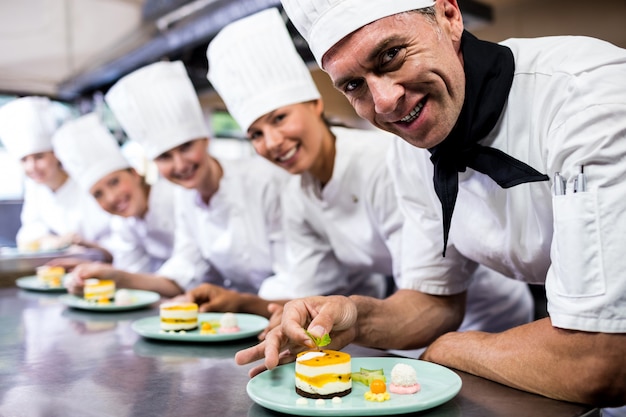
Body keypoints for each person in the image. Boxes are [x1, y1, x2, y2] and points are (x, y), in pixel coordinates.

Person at [236, 0, 626, 408]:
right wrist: (351, 315)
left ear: (449, 17)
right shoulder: (410, 150)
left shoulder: (587, 101)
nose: (384, 103)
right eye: (353, 85)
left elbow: (602, 357)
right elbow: (433, 300)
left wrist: (451, 350)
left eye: (391, 55)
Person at [199, 7, 533, 338]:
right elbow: (306, 284)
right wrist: (243, 303)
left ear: (315, 105)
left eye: (279, 118)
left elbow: (431, 290)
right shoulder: (297, 192)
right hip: (408, 317)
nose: (272, 141)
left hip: (486, 316)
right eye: (255, 134)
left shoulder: (382, 161)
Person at [100, 60, 288, 299]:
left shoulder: (263, 180)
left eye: (186, 147)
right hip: (242, 316)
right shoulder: (186, 196)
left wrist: (241, 304)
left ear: (205, 139)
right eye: (165, 156)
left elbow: (295, 277)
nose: (180, 165)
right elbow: (186, 269)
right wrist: (119, 278)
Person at [51, 112, 179, 295]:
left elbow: (188, 275)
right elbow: (132, 275)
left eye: (114, 182)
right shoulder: (125, 223)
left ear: (135, 173)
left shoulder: (175, 198)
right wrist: (92, 274)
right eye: (98, 194)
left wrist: (115, 276)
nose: (111, 198)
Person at [0, 96, 112, 258]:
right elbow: (29, 232)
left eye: (39, 157)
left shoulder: (86, 182)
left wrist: (82, 244)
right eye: (24, 160)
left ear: (56, 154)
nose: (32, 167)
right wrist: (53, 241)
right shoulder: (35, 188)